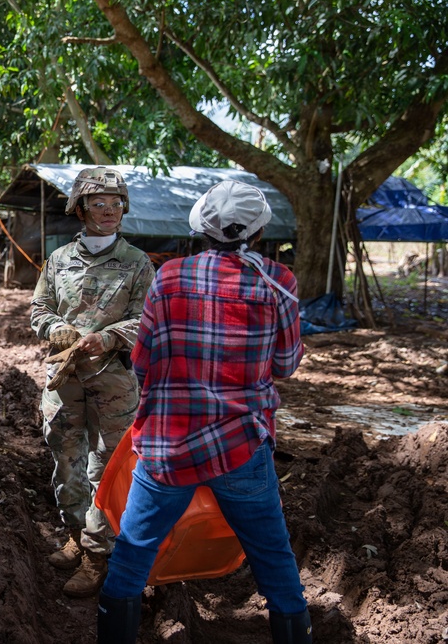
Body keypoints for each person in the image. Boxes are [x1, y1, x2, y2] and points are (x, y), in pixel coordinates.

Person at [97, 181, 311, 643]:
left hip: (167, 449)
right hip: (242, 447)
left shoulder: (170, 276)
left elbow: (142, 362)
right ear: (255, 231)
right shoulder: (279, 281)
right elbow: (286, 366)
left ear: (202, 228)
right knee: (274, 559)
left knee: (132, 556)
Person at [30, 167, 156, 598]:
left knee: (107, 469)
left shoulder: (138, 263)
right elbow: (37, 308)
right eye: (99, 203)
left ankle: (97, 554)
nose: (109, 211)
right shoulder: (58, 260)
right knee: (67, 464)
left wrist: (109, 336)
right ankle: (76, 533)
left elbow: (147, 321)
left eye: (117, 202)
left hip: (114, 381)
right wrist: (54, 328)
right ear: (80, 209)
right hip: (64, 377)